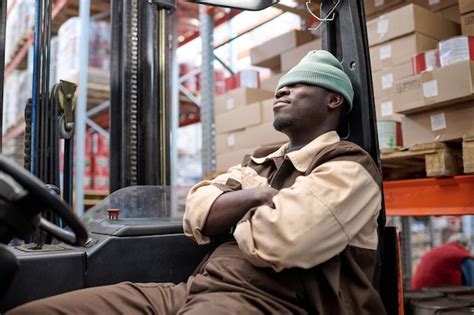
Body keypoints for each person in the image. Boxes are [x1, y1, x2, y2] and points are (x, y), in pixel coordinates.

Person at [9, 50, 386, 314]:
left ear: (333, 100)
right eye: (280, 87)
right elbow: (198, 207)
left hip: (272, 303)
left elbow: (285, 240)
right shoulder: (260, 161)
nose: (280, 92)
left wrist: (231, 210)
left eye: (298, 85)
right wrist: (260, 197)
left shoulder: (348, 166)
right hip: (191, 290)